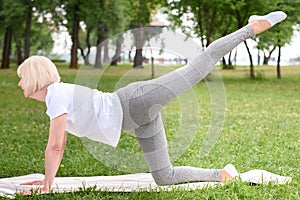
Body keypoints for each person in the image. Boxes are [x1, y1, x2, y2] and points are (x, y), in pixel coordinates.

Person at [17, 11, 287, 195]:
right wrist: (48, 181)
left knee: (199, 66)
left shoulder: (55, 95)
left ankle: (251, 28)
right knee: (164, 176)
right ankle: (222, 174)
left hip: (135, 102)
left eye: (21, 79)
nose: (19, 84)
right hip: (137, 118)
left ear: (33, 79)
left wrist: (47, 185)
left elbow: (55, 145)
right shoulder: (57, 95)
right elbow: (58, 144)